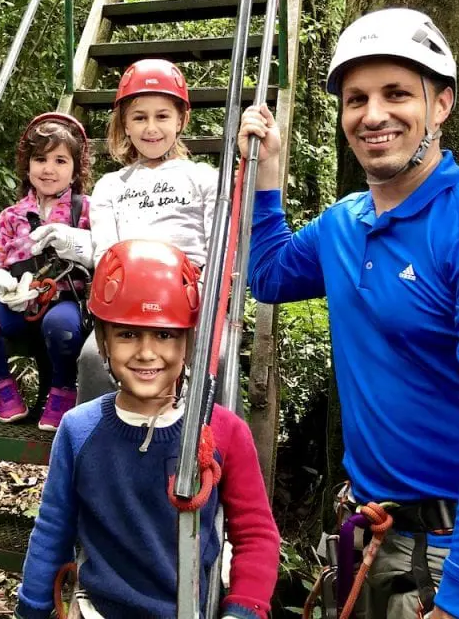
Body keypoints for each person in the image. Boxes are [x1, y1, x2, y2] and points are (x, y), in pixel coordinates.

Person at [238, 7, 459, 619]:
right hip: (378, 539)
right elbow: (267, 276)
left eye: (397, 93)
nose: (373, 115)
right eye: (356, 99)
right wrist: (268, 174)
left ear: (442, 104)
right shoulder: (345, 225)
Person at [16, 239, 280, 619]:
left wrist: (244, 609)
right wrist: (33, 607)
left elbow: (255, 533)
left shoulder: (224, 431)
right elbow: (53, 526)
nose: (146, 352)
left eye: (165, 334)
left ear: (189, 342)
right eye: (126, 334)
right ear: (102, 341)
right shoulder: (79, 429)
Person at [76, 59, 217, 403]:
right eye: (139, 117)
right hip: (127, 300)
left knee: (217, 360)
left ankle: (215, 448)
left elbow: (219, 248)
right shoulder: (110, 186)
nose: (151, 128)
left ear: (181, 119)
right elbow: (105, 253)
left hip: (189, 296)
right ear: (124, 122)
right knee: (93, 359)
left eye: (162, 116)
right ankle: (93, 445)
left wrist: (206, 294)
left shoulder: (203, 178)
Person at [0, 112, 93, 431]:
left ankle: (63, 388)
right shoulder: (12, 215)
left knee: (61, 325)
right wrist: (1, 283)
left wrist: (77, 245)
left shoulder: (86, 209)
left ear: (76, 168)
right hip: (19, 303)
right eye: (40, 159)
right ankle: (4, 386)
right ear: (28, 164)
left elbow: (102, 254)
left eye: (60, 160)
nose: (49, 169)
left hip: (65, 300)